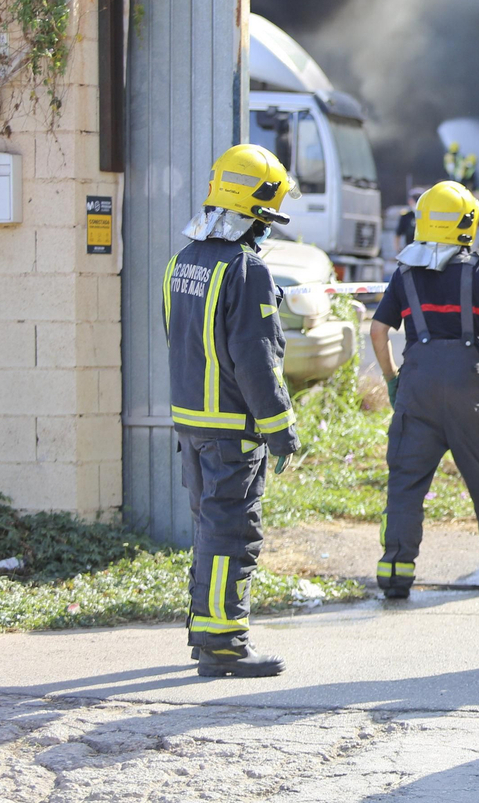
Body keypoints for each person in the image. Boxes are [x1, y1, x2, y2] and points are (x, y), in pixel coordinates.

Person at [164, 144, 301, 677]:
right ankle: (224, 645)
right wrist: (281, 429)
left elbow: (177, 340)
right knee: (234, 535)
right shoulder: (248, 271)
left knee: (209, 530)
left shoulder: (181, 263)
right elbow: (257, 361)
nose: (267, 230)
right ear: (249, 211)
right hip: (232, 431)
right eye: (266, 218)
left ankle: (205, 629)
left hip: (191, 426)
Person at [370, 181, 479, 597]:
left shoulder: (404, 274)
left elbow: (378, 330)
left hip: (416, 388)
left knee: (405, 481)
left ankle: (395, 569)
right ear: (466, 225)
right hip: (468, 389)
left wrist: (391, 379)